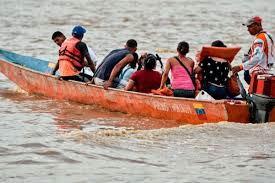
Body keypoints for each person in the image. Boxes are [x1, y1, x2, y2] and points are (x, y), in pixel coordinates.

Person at [232, 16, 274, 83]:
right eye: (247, 27)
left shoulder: (259, 39)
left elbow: (257, 58)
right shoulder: (268, 35)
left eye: (250, 26)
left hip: (259, 71)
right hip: (268, 69)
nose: (248, 29)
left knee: (246, 75)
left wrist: (240, 67)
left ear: (258, 25)